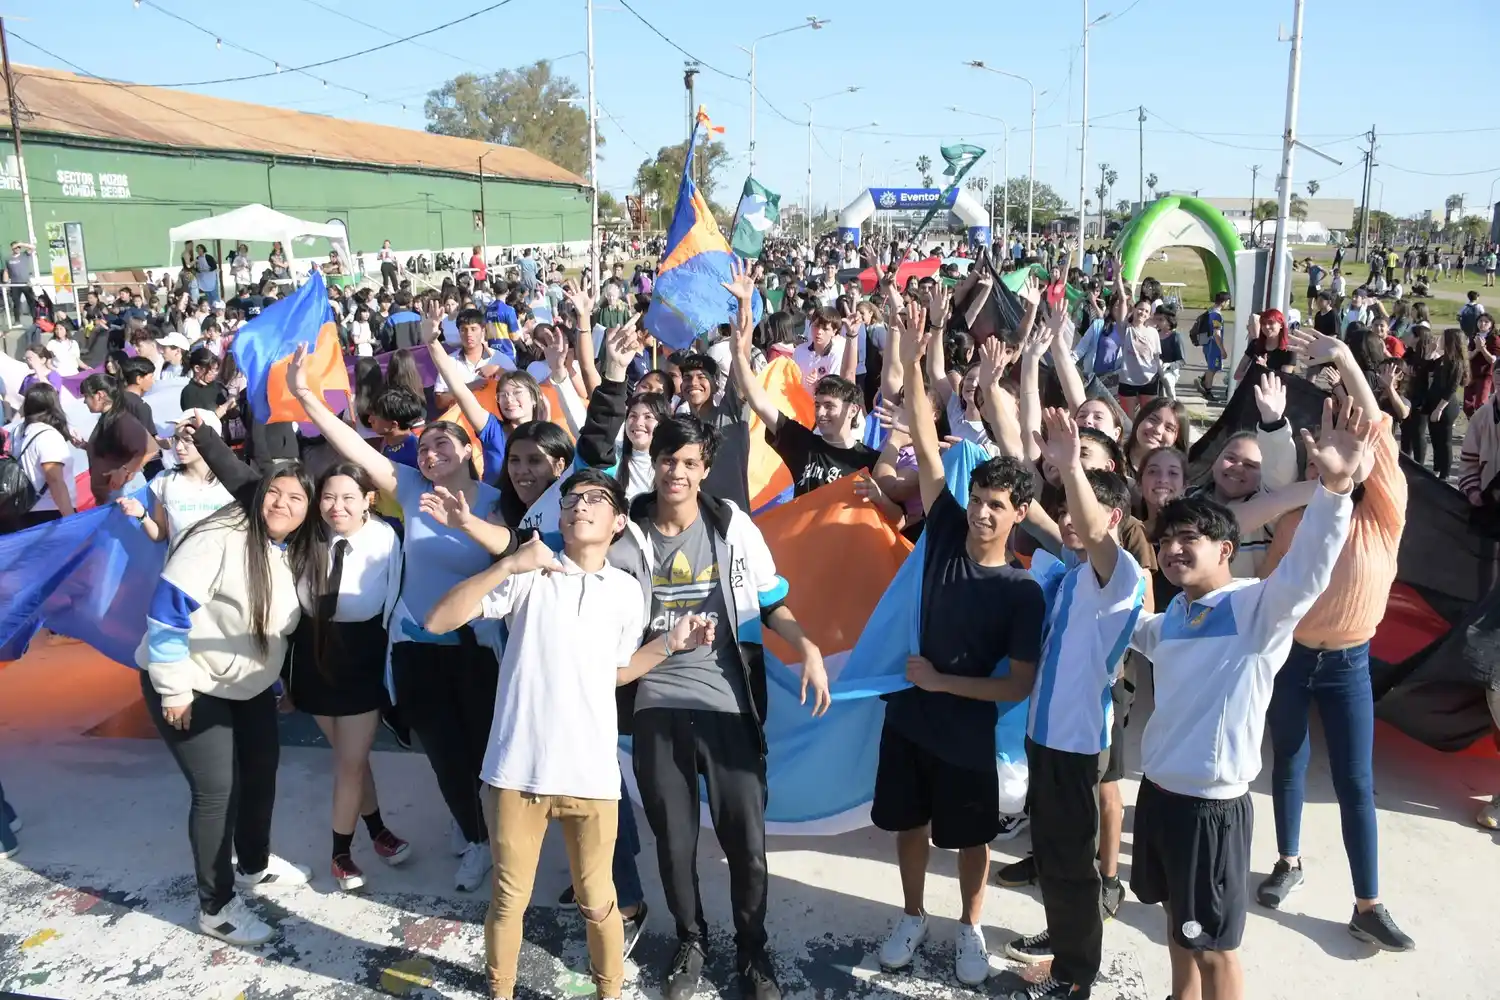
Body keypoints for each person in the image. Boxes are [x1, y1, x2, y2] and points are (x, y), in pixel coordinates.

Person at [1127, 396, 1374, 1000]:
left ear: (1225, 550)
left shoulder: (1256, 609)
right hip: (1160, 794)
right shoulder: (1178, 616)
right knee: (1177, 927)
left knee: (1217, 952)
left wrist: (1335, 491)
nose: (1174, 550)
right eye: (1167, 543)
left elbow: (1309, 568)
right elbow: (1128, 624)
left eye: (1190, 540)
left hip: (1211, 809)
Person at [611, 416, 830, 1000]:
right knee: (674, 842)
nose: (676, 473)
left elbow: (771, 600)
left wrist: (805, 645)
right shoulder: (625, 533)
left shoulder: (732, 525)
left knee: (746, 844)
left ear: (705, 468)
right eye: (667, 460)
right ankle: (691, 940)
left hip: (729, 706)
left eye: (689, 463)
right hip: (656, 702)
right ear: (651, 462)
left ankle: (752, 950)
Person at [426, 469, 660, 1000]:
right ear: (559, 517)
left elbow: (616, 670)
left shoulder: (627, 592)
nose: (580, 506)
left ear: (618, 522)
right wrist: (510, 562)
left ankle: (611, 992)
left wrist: (671, 644)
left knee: (598, 900)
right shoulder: (530, 572)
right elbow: (438, 620)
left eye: (595, 499)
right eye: (571, 500)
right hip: (516, 770)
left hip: (594, 777)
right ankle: (500, 991)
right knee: (509, 899)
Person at [284, 343, 504, 893]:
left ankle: (482, 825)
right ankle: (475, 837)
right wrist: (307, 397)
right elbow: (353, 448)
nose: (431, 454)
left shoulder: (497, 500)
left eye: (442, 445)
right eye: (424, 448)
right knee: (442, 750)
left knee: (481, 747)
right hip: (417, 650)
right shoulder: (410, 491)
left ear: (467, 450)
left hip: (479, 651)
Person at [874, 320, 1044, 987]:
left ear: (1019, 513)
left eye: (998, 506)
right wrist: (915, 362)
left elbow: (1017, 688)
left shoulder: (1023, 592)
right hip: (909, 717)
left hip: (965, 725)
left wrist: (944, 684)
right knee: (908, 824)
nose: (982, 513)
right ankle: (912, 915)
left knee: (970, 838)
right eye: (978, 500)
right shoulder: (943, 526)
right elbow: (921, 431)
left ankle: (970, 927)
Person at [1254, 327, 1415, 951]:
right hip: (1293, 659)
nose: (1344, 451)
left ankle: (1367, 902)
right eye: (1327, 445)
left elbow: (1373, 428)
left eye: (1357, 448)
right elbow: (1269, 585)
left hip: (1349, 663)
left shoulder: (1386, 512)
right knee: (1287, 763)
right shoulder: (1302, 515)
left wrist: (1347, 359)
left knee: (1355, 782)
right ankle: (1288, 861)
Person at [137, 464, 320, 946]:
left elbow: (271, 626)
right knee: (218, 791)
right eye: (274, 492)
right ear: (258, 494)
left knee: (261, 773)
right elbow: (168, 610)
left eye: (296, 498)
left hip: (248, 688)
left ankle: (254, 867)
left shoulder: (286, 551)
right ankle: (215, 907)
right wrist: (174, 688)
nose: (282, 504)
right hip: (192, 682)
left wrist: (276, 682)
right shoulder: (219, 535)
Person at [997, 411, 1147, 1000]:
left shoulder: (1119, 578)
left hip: (1076, 745)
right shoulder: (1068, 574)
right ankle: (1063, 947)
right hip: (1044, 738)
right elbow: (1028, 508)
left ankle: (1073, 976)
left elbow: (1087, 524)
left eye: (1079, 512)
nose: (1066, 520)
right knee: (1056, 857)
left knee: (1070, 864)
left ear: (1110, 520)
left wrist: (1070, 470)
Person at [727, 267, 876, 497]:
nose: (821, 412)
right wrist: (739, 353)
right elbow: (759, 401)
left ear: (852, 409)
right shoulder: (804, 445)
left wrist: (882, 498)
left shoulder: (868, 462)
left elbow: (902, 515)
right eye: (818, 405)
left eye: (829, 406)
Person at [117, 410, 235, 542]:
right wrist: (142, 515)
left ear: (211, 441)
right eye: (177, 439)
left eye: (187, 440)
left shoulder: (232, 483)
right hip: (179, 561)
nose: (178, 447)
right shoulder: (164, 481)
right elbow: (160, 534)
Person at [2, 383, 76, 532]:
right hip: (50, 512)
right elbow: (54, 479)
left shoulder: (16, 432)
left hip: (20, 509)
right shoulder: (48, 435)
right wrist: (71, 519)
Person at [5, 240, 37, 323]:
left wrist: (20, 243)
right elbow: (6, 271)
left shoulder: (24, 255)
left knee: (31, 302)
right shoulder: (8, 259)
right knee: (16, 303)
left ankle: (35, 320)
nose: (17, 248)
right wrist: (6, 282)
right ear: (12, 248)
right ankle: (17, 321)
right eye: (15, 247)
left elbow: (33, 247)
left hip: (25, 283)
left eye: (18, 247)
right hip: (15, 285)